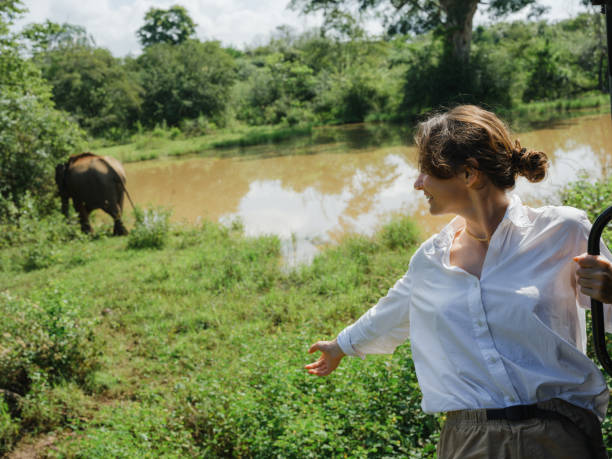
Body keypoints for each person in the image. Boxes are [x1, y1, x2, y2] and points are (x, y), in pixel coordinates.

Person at [304, 105, 611, 459]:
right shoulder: (430, 259)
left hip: (558, 437)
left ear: (468, 174)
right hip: (469, 442)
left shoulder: (564, 231)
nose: (418, 183)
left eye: (427, 172)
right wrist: (340, 345)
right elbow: (394, 309)